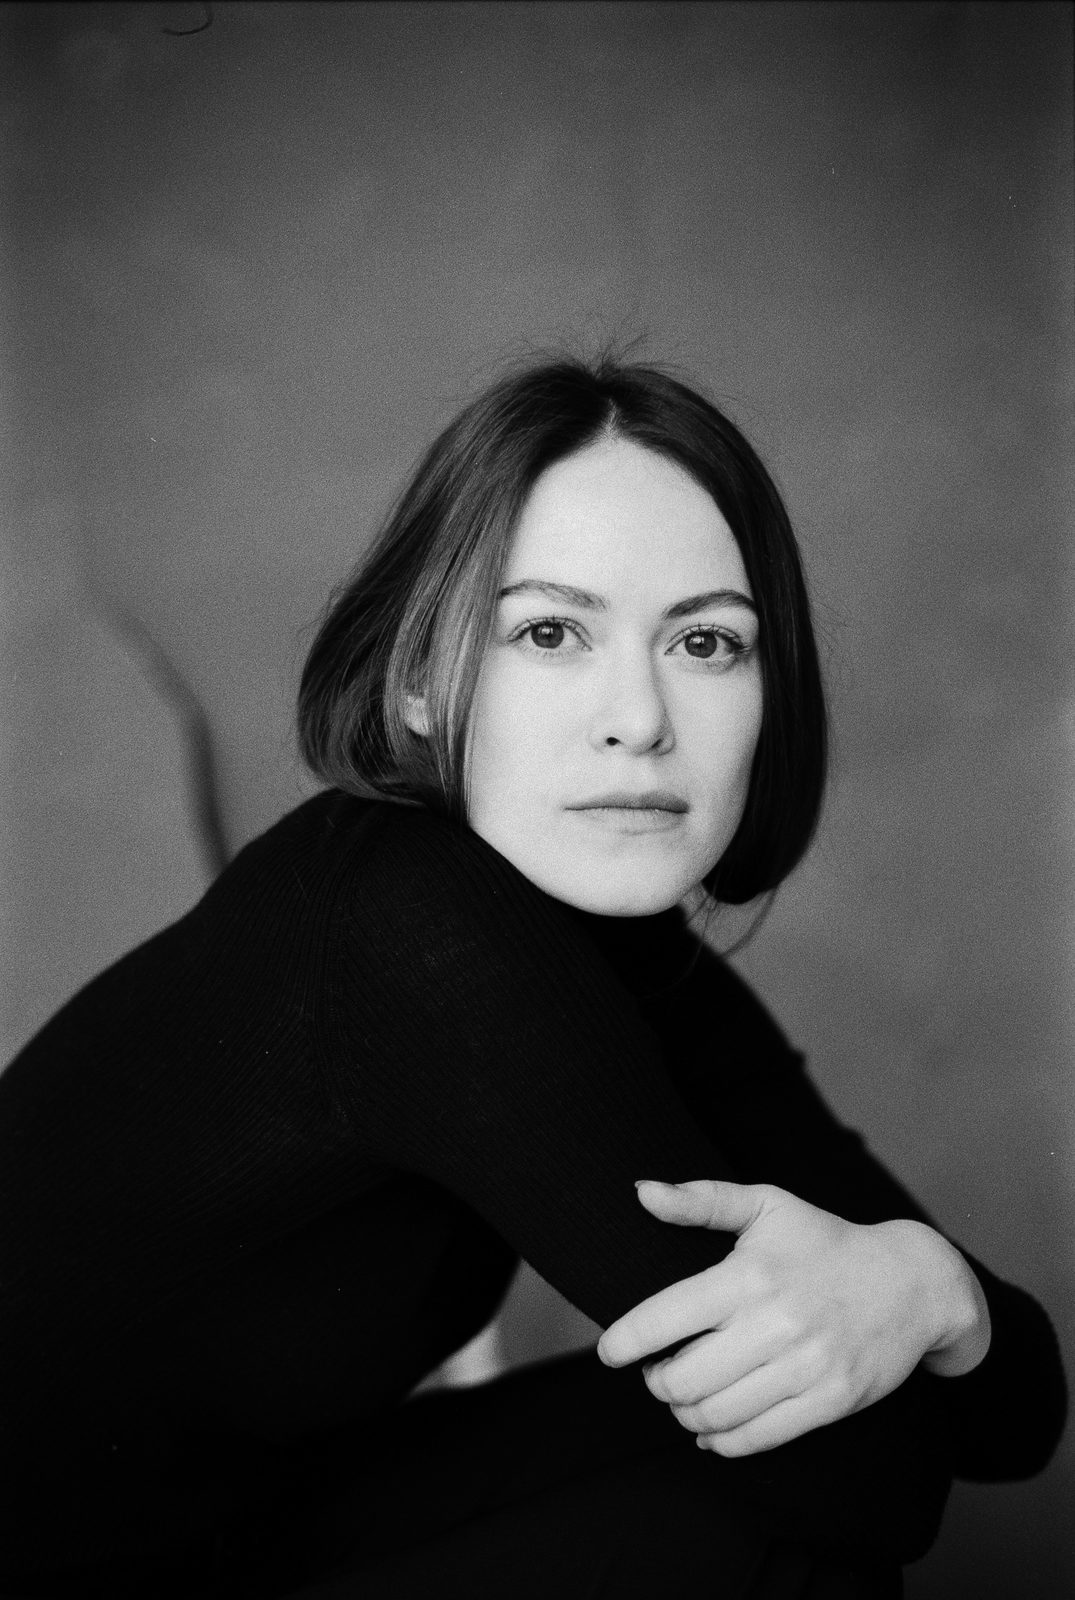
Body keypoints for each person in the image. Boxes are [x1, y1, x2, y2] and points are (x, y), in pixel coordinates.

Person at [0, 357, 1065, 1600]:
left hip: (236, 1530)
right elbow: (864, 1479)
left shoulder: (621, 948)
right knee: (768, 1507)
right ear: (417, 682)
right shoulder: (410, 926)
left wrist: (929, 1288)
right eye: (550, 632)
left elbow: (1016, 1418)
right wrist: (897, 1330)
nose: (639, 719)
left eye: (706, 641)